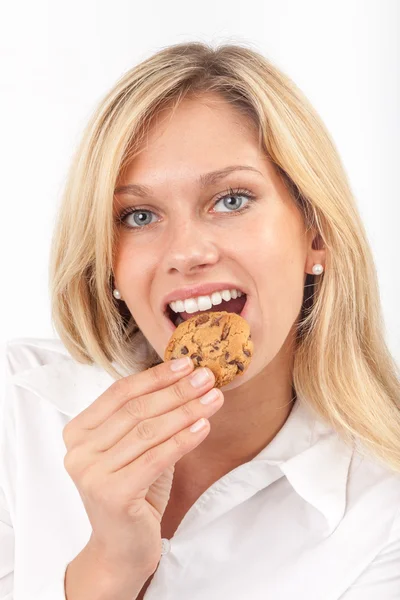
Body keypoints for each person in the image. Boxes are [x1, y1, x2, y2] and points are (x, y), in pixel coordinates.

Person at [1, 41, 400, 600]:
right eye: (139, 216)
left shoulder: (384, 516)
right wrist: (110, 565)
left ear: (316, 234)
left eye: (231, 200)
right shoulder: (14, 413)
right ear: (108, 263)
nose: (186, 252)